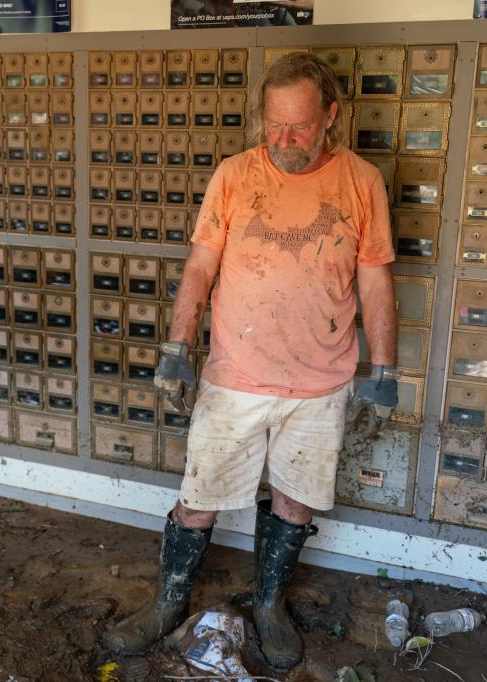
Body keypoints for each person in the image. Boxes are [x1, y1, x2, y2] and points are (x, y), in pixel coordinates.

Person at [105, 52, 399, 670]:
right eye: (274, 126)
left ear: (330, 117)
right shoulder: (235, 175)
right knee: (199, 496)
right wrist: (176, 350)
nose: (285, 140)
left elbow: (374, 282)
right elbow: (201, 267)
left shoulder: (361, 182)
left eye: (298, 126)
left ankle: (268, 604)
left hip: (321, 382)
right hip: (236, 375)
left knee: (295, 499)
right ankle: (167, 601)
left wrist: (386, 372)